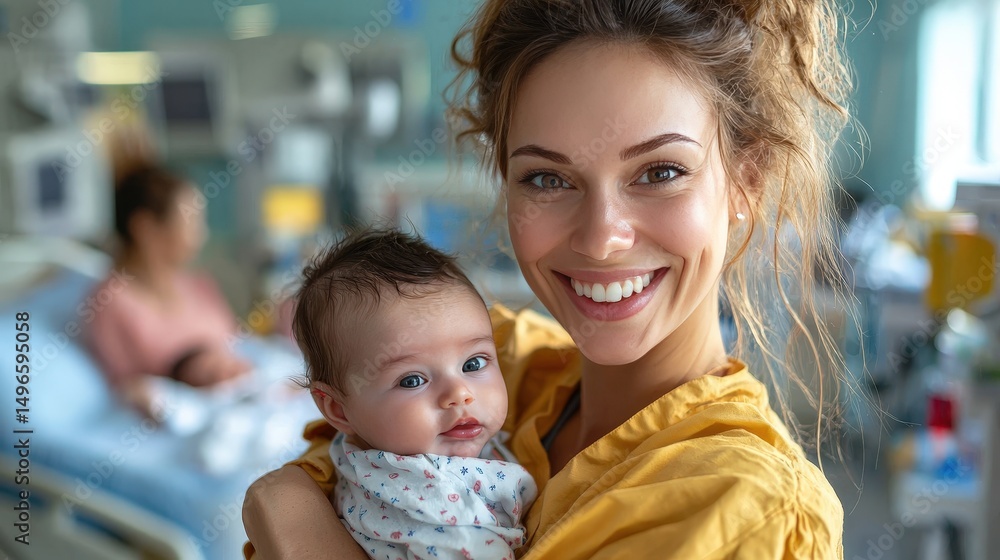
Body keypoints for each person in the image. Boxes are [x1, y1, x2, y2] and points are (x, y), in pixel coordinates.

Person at [243, 0, 854, 557]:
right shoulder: (500, 364)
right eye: (546, 178)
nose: (601, 237)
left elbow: (300, 495)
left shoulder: (747, 512)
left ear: (746, 179)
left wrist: (285, 508)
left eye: (660, 171)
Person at [292, 228, 537, 560]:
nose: (460, 393)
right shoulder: (427, 495)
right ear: (339, 410)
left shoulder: (369, 444)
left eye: (473, 363)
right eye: (411, 381)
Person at [85, 165, 250, 413]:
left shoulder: (199, 285)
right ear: (145, 228)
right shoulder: (110, 303)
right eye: (192, 223)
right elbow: (130, 392)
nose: (202, 236)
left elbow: (240, 346)